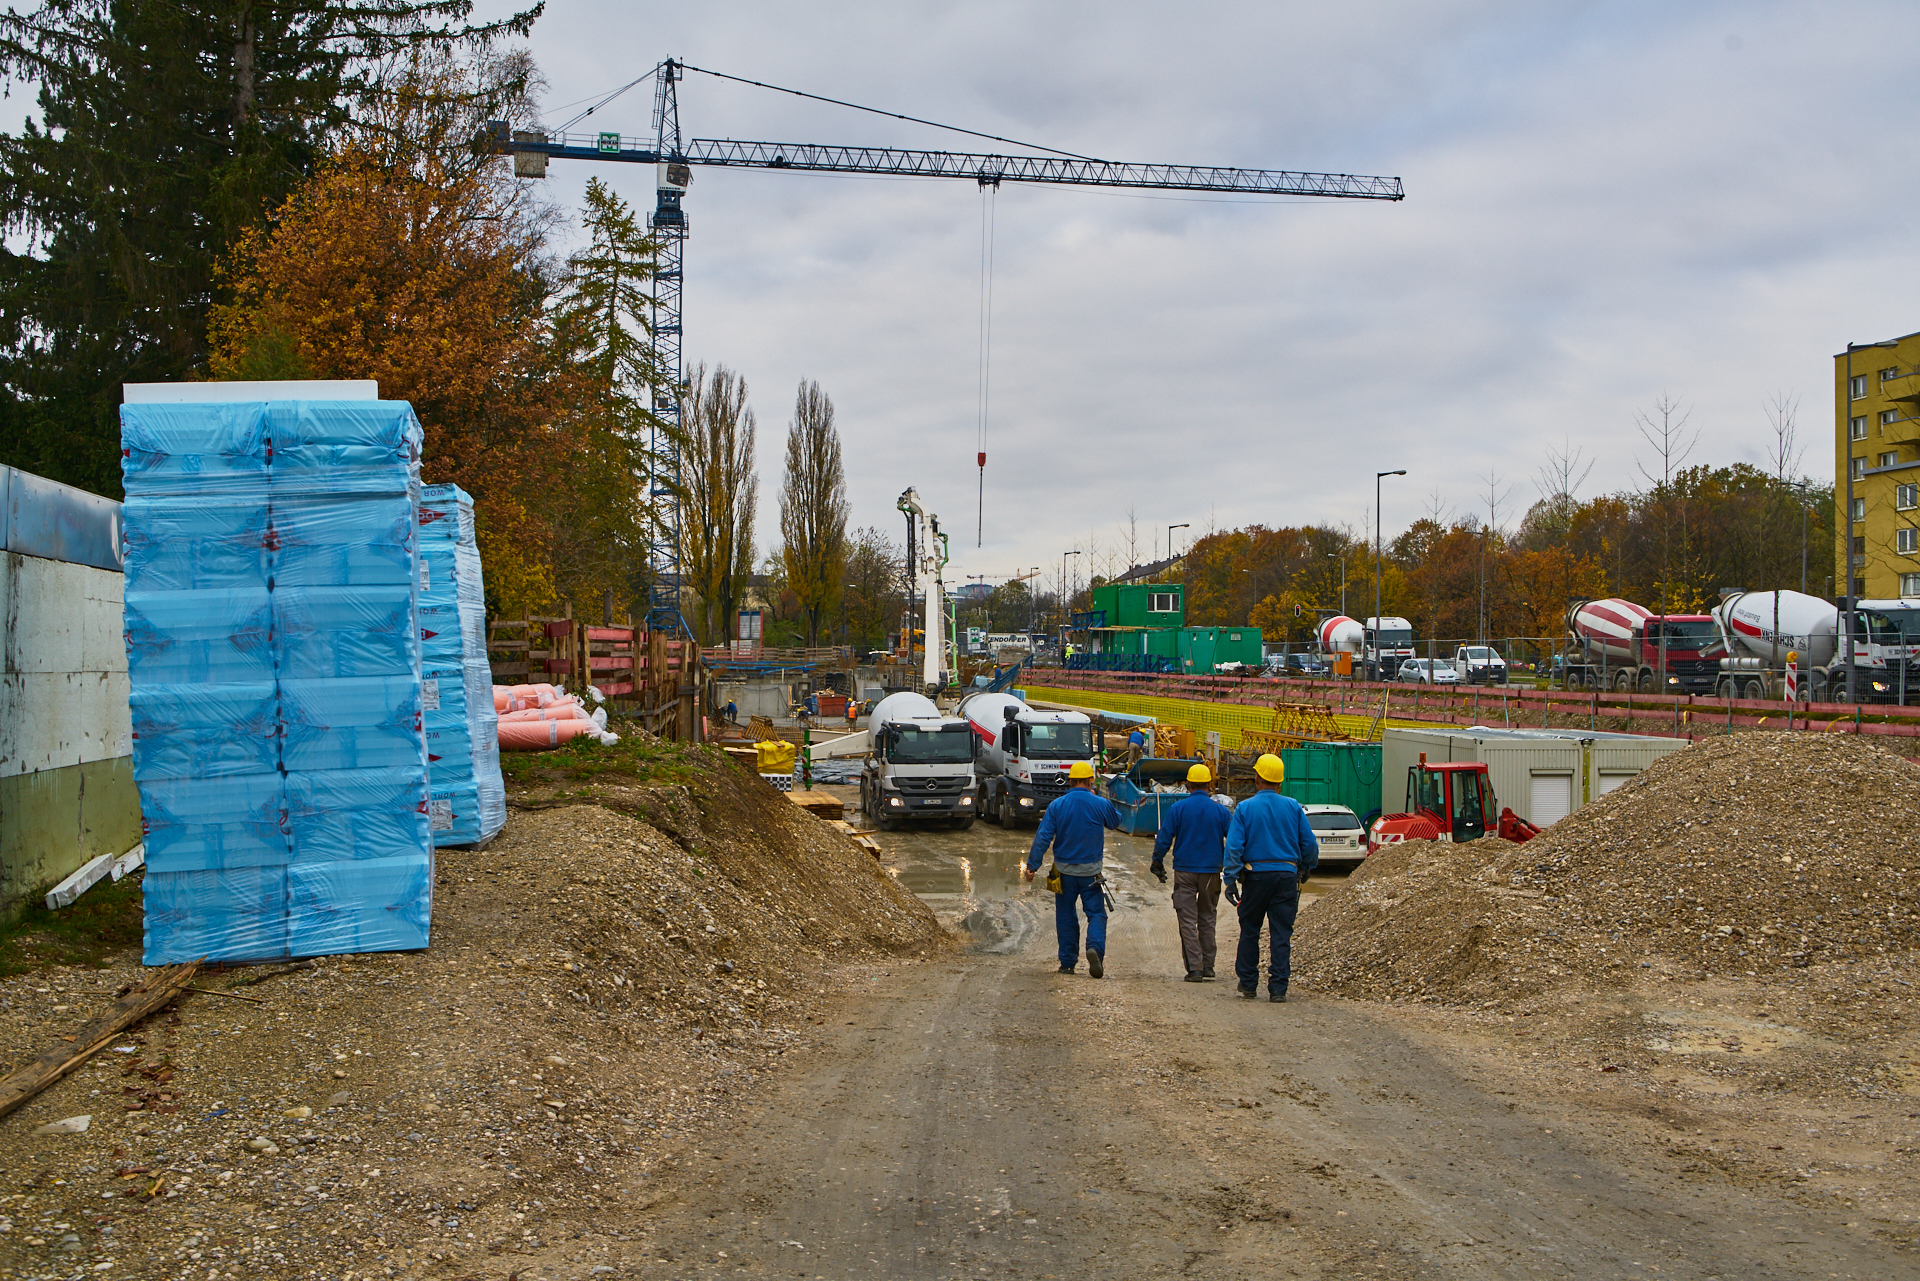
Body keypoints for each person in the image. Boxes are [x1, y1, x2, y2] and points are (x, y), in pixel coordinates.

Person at [1223, 753, 1318, 1003]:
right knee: (1281, 933)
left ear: (1256, 779)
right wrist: (1306, 867)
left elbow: (1234, 848)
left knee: (1250, 930)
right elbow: (1309, 844)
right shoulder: (1293, 807)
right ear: (1280, 783)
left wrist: (1230, 879)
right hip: (1286, 876)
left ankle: (1248, 984)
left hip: (1255, 877)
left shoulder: (1244, 808)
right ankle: (1278, 988)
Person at [1023, 760, 1123, 977]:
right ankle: (1094, 948)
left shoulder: (1057, 805)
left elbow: (1043, 837)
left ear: (1069, 782)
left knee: (1066, 915)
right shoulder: (1100, 804)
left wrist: (1032, 866)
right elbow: (1115, 822)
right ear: (1090, 781)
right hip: (1091, 873)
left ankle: (1067, 964)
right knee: (1096, 914)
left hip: (1064, 873)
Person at [1151, 763, 1234, 982]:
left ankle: (1195, 969)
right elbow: (1234, 840)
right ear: (1209, 785)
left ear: (1188, 784)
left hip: (1185, 872)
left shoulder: (1179, 809)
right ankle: (1208, 966)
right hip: (1211, 873)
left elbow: (1164, 838)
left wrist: (1157, 862)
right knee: (1207, 917)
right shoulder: (1220, 811)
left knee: (1187, 920)